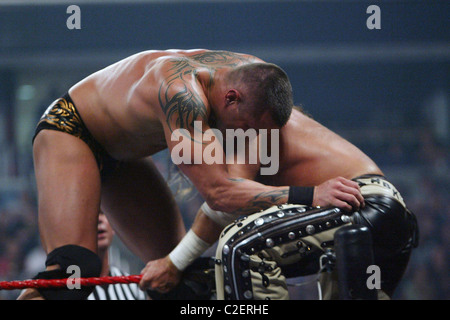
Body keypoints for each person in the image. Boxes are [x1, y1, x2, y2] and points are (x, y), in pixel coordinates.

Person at [18, 49, 327, 300]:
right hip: (72, 131)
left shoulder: (255, 78)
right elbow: (220, 194)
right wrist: (311, 195)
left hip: (123, 154)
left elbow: (246, 180)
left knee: (181, 277)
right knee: (73, 274)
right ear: (230, 98)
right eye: (245, 128)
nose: (245, 137)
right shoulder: (182, 96)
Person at [139, 107, 419, 300]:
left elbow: (223, 205)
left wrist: (173, 263)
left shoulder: (254, 123)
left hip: (363, 203)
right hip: (382, 222)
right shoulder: (264, 134)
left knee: (240, 247)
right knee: (225, 266)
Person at [88, 211, 147, 300]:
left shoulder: (131, 287)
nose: (99, 219)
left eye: (104, 213)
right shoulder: (71, 287)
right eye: (92, 215)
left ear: (113, 226)